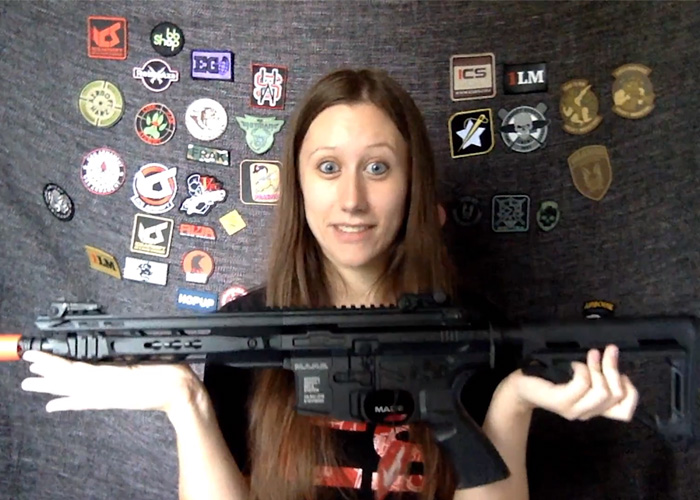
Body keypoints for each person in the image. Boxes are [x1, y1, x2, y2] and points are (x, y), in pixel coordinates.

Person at [20, 68, 639, 500]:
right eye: (327, 167)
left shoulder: (473, 331)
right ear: (299, 184)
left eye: (378, 167)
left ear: (412, 184)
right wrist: (187, 404)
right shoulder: (247, 334)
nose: (352, 199)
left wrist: (514, 402)